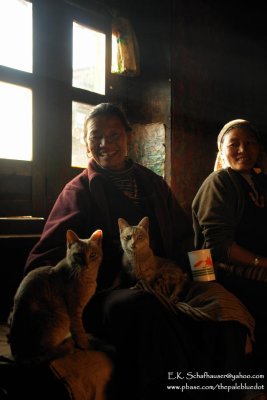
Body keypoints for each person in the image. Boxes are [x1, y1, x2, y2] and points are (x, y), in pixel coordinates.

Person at [25, 106, 252, 400]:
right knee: (141, 305)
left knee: (226, 308)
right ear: (86, 143)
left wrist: (207, 278)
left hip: (168, 280)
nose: (106, 144)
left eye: (114, 135)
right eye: (96, 137)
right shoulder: (78, 191)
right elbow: (44, 259)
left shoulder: (152, 184)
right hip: (108, 293)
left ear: (129, 138)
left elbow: (187, 240)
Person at [192, 118, 267, 380]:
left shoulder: (259, 183)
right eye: (234, 143)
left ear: (259, 150)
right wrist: (262, 264)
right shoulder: (219, 183)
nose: (243, 150)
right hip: (215, 273)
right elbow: (217, 246)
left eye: (250, 143)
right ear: (221, 150)